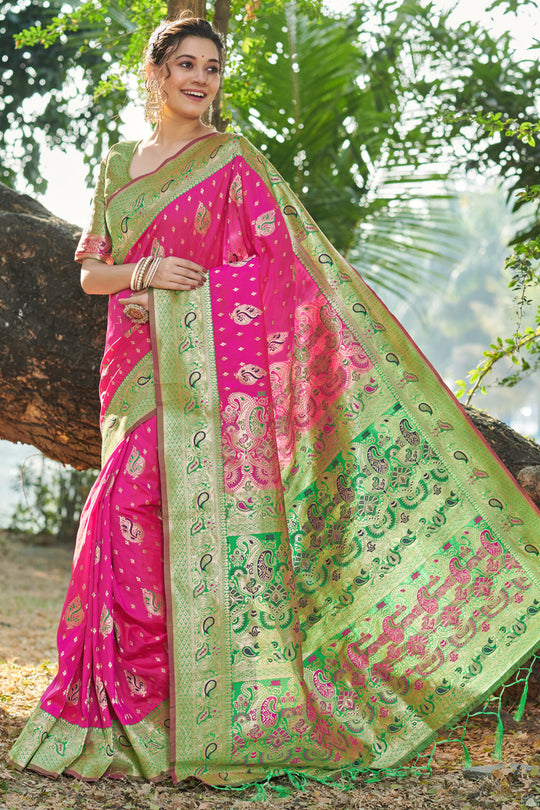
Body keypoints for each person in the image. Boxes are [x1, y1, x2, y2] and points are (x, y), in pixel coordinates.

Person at [10, 12, 540, 789]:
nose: (199, 79)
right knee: (121, 520)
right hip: (131, 369)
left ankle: (180, 716)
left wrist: (202, 293)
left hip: (210, 380)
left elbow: (285, 266)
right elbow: (92, 273)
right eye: (185, 64)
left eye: (212, 68)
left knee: (150, 511)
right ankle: (120, 712)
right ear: (156, 73)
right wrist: (148, 272)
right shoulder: (119, 163)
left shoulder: (233, 161)